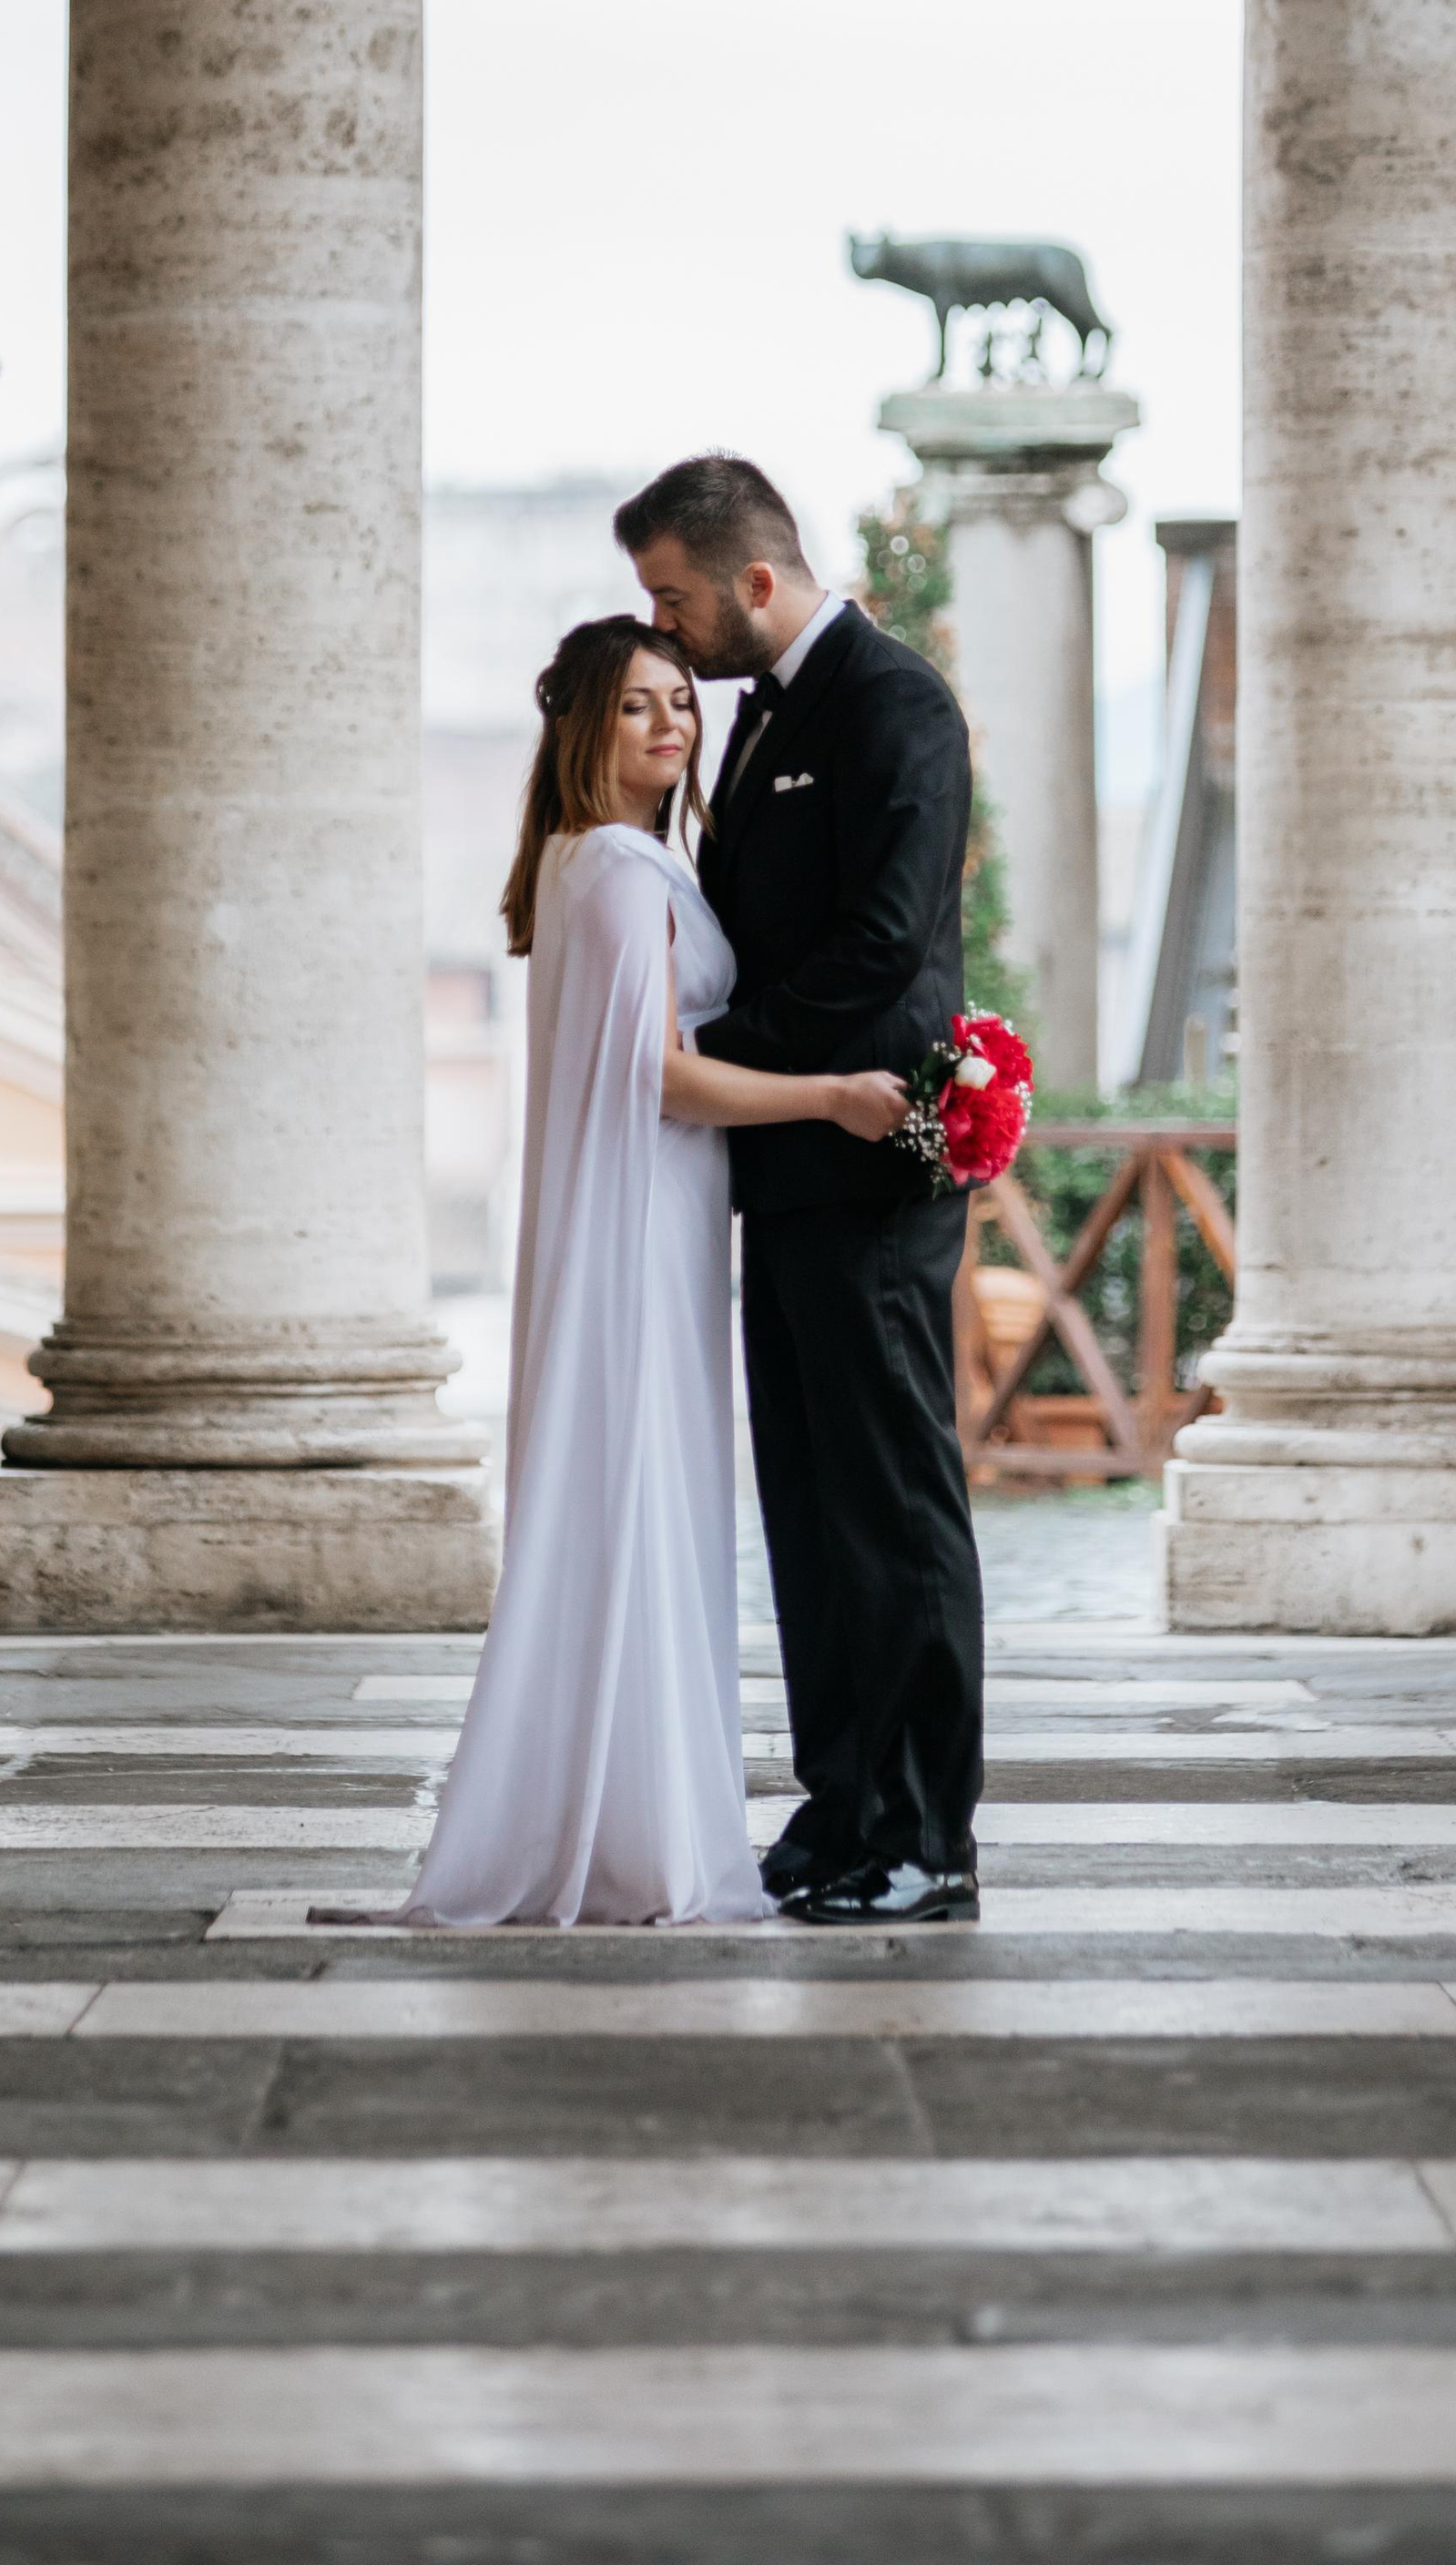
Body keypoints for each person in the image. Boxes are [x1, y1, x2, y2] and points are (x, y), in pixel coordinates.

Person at [402, 616, 910, 1929]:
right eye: (637, 705)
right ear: (584, 726)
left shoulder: (586, 861)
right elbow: (663, 1078)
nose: (672, 723)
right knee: (649, 1482)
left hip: (649, 1205)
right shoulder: (624, 871)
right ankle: (642, 1830)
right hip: (645, 1208)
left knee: (645, 1488)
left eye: (681, 700)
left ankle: (638, 1813)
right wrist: (833, 1096)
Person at [617, 453, 987, 1928]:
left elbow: (882, 947)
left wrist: (707, 1054)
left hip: (872, 1164)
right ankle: (840, 1809)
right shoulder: (762, 714)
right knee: (811, 1508)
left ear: (755, 580)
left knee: (891, 1502)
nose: (664, 625)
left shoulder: (896, 705)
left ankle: (925, 1835)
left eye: (673, 597)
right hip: (782, 1168)